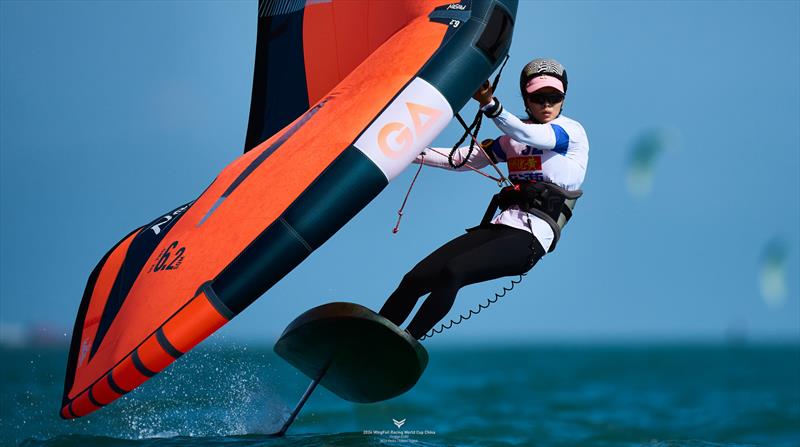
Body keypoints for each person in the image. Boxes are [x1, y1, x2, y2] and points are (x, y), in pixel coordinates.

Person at [379, 58, 589, 339]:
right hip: (501, 227)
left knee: (455, 271)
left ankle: (404, 342)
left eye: (554, 97)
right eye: (538, 97)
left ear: (564, 98)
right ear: (526, 99)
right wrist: (398, 146)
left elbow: (527, 132)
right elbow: (461, 159)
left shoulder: (569, 133)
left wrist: (491, 105)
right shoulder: (512, 141)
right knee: (414, 279)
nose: (547, 104)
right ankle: (369, 339)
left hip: (532, 238)